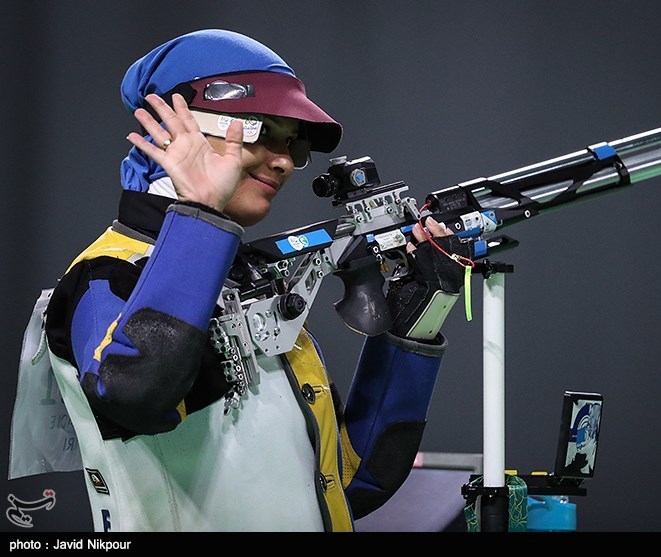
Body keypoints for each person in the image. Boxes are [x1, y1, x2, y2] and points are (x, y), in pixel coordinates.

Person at [38, 29, 473, 532]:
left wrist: (416, 318)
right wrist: (199, 210)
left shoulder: (242, 282)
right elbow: (137, 394)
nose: (285, 161)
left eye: (293, 144)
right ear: (174, 126)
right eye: (264, 132)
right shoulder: (106, 274)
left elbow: (345, 485)